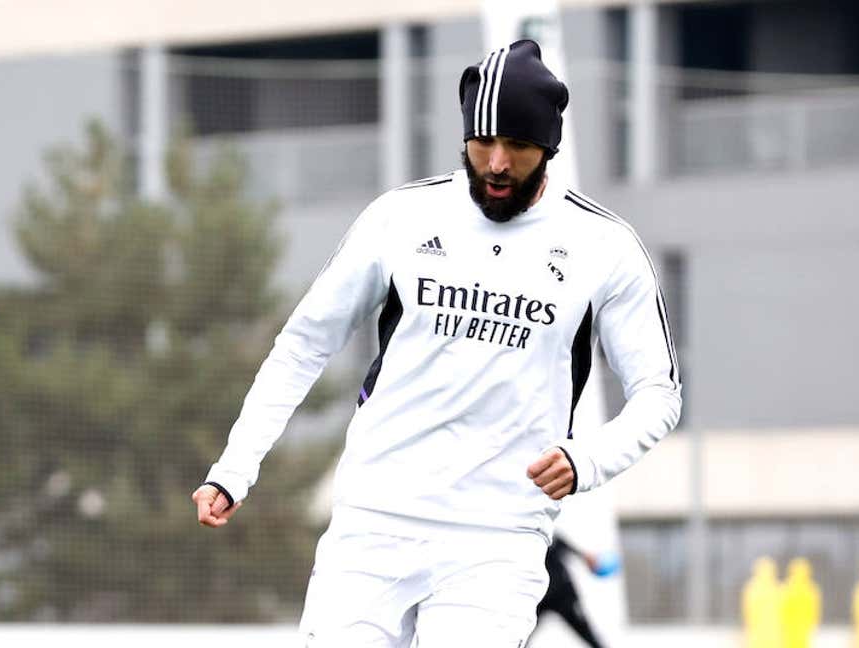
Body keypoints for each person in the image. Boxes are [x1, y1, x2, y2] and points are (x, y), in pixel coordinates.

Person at [191, 39, 682, 647]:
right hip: (373, 523)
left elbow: (659, 395)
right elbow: (302, 344)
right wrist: (234, 469)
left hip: (498, 537)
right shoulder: (401, 218)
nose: (497, 163)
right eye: (483, 143)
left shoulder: (605, 247)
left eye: (519, 147)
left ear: (548, 149)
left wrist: (590, 459)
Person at [532, 534, 609, 648]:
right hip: (541, 597)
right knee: (523, 632)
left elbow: (563, 545)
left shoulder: (547, 534)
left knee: (586, 632)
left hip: (564, 595)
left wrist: (585, 557)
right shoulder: (526, 539)